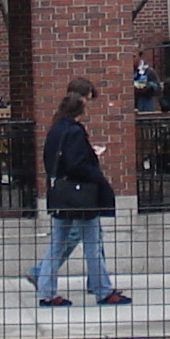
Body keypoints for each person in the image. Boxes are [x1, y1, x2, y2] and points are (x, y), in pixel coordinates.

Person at [30, 77, 127, 306]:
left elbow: (54, 159)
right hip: (80, 195)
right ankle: (103, 290)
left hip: (61, 193)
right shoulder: (74, 131)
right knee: (92, 243)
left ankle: (47, 292)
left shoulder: (56, 128)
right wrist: (96, 170)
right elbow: (78, 164)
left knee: (58, 243)